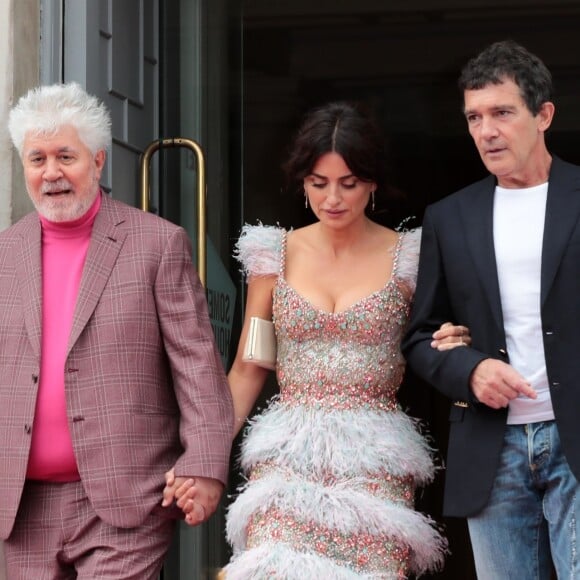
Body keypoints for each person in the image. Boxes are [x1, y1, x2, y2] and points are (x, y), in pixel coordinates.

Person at [168, 101, 469, 578]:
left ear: (371, 183)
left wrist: (458, 344)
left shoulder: (411, 256)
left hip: (375, 457)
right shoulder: (274, 254)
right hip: (288, 452)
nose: (333, 198)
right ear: (301, 182)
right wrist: (202, 454)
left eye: (348, 184)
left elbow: (435, 342)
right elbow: (250, 367)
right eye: (318, 183)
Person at [0, 82, 233, 579]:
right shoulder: (3, 255)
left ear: (99, 160)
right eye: (37, 159)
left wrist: (206, 464)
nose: (51, 173)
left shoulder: (157, 244)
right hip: (21, 507)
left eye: (67, 155)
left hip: (124, 499)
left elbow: (197, 365)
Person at [402, 39, 580, 579]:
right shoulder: (450, 216)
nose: (486, 130)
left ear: (543, 114)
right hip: (492, 447)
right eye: (474, 117)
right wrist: (471, 367)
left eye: (502, 113)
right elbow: (420, 337)